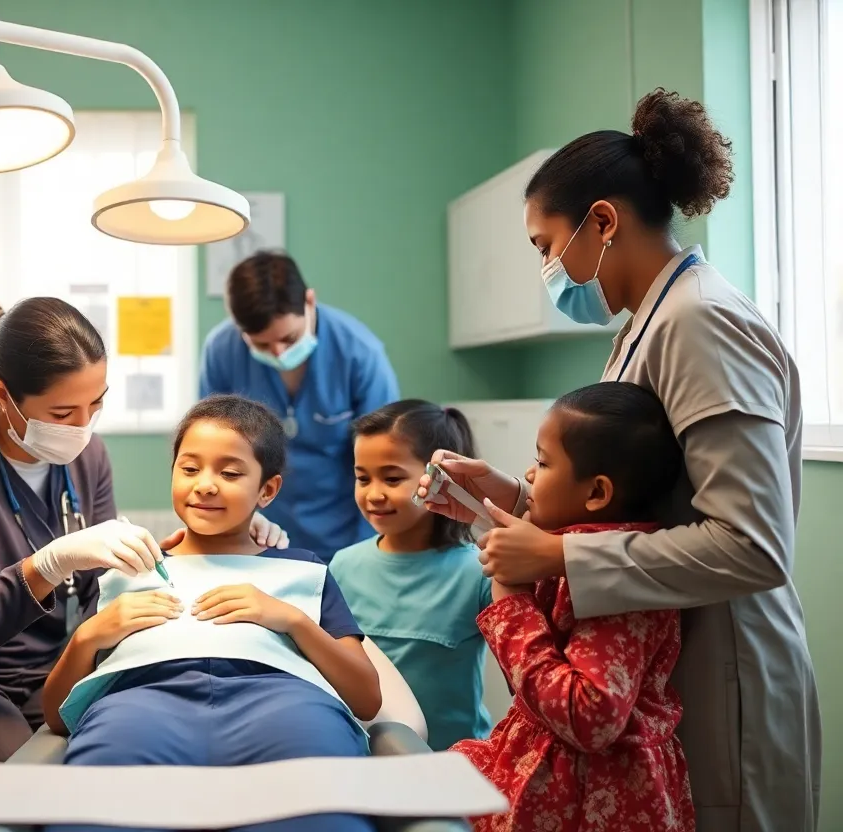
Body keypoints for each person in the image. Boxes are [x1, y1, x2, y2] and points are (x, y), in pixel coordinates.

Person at [418, 88, 821, 832]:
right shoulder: (653, 321)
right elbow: (634, 498)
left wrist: (560, 560)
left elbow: (754, 544)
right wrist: (506, 497)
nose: (548, 270)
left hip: (723, 673)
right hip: (666, 660)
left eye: (545, 246)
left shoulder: (703, 323)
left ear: (602, 221)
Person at [0, 299, 288, 831]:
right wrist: (50, 562)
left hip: (40, 674)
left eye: (96, 406)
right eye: (63, 414)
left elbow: (98, 592)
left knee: (130, 757)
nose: (83, 428)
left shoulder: (85, 456)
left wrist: (230, 537)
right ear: (2, 395)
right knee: (36, 791)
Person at [41, 394, 381, 832]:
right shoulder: (127, 570)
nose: (205, 484)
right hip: (140, 709)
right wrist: (90, 636)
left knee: (322, 816)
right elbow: (54, 714)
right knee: (97, 816)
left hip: (284, 706)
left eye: (231, 472)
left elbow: (367, 698)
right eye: (189, 468)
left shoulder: (304, 570)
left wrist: (289, 619)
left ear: (268, 490)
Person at [452, 382, 693, 832]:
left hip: (594, 795)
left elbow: (590, 716)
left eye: (543, 462)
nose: (527, 474)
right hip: (551, 769)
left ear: (598, 493)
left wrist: (512, 598)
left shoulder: (617, 582)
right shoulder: (569, 547)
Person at [199, 251, 401, 561]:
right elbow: (210, 449)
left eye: (289, 338)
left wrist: (370, 552)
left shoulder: (360, 354)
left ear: (309, 301)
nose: (279, 353)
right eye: (262, 345)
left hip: (348, 533)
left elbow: (386, 459)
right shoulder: (221, 351)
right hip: (257, 531)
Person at [330, 399, 492, 751]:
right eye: (362, 478)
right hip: (362, 757)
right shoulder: (342, 566)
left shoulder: (478, 571)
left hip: (453, 765)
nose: (374, 494)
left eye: (392, 478)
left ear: (439, 479)